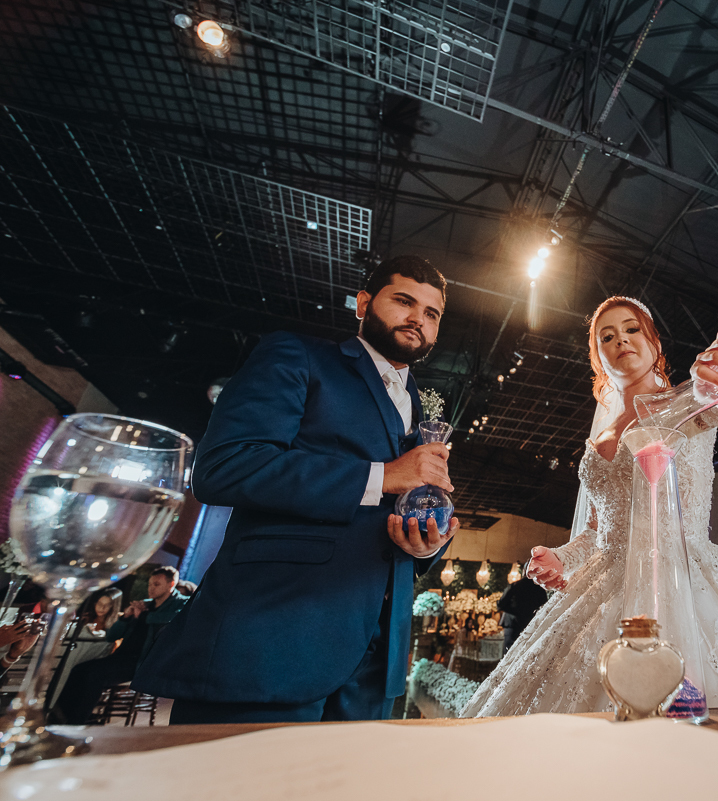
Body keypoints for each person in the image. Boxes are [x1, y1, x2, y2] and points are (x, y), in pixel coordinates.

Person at [462, 297, 718, 716]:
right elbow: (599, 531)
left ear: (654, 344)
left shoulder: (691, 403)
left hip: (685, 577)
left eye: (632, 330)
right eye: (606, 337)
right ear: (598, 357)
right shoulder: (594, 446)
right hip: (605, 584)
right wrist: (561, 557)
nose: (621, 341)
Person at [133, 256, 459, 724]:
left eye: (432, 314)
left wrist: (426, 544)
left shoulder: (417, 408)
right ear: (364, 303)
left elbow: (397, 516)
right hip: (272, 641)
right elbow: (224, 466)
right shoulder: (298, 356)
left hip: (373, 669)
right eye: (404, 301)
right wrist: (383, 475)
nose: (418, 320)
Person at [52, 567, 187, 724]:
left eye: (156, 584)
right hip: (121, 657)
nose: (151, 588)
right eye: (149, 584)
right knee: (78, 670)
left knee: (94, 675)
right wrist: (126, 617)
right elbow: (112, 636)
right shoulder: (144, 605)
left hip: (143, 663)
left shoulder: (181, 604)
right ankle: (57, 719)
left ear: (171, 585)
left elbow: (170, 619)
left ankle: (76, 723)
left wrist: (142, 615)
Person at [496, 567, 548, 655]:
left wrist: (515, 611)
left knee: (509, 654)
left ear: (524, 571)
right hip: (530, 625)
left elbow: (500, 605)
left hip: (512, 624)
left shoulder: (515, 585)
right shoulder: (540, 590)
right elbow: (544, 608)